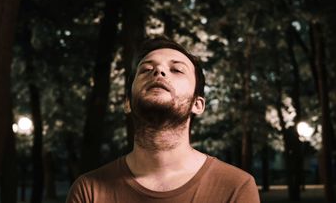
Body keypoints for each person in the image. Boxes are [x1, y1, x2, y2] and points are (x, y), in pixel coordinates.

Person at [66, 36, 260, 203]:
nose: (159, 71)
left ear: (197, 104)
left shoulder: (235, 187)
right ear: (127, 103)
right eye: (146, 70)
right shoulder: (88, 191)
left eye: (177, 70)